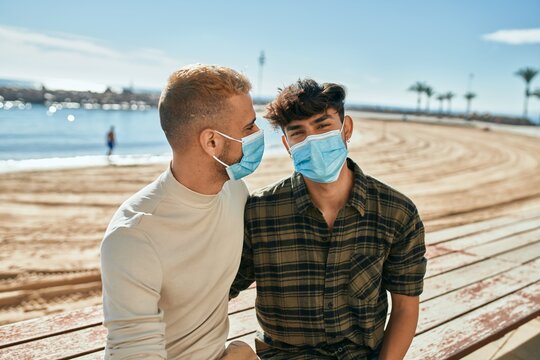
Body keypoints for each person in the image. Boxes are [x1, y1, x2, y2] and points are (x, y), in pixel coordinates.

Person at [230, 79, 427, 359]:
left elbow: (406, 307)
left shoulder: (396, 212)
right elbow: (223, 286)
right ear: (287, 145)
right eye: (298, 133)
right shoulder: (260, 212)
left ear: (346, 129)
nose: (312, 139)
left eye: (322, 126)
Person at [100, 64, 263, 359]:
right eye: (249, 126)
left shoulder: (236, 192)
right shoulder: (134, 236)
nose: (258, 133)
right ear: (212, 142)